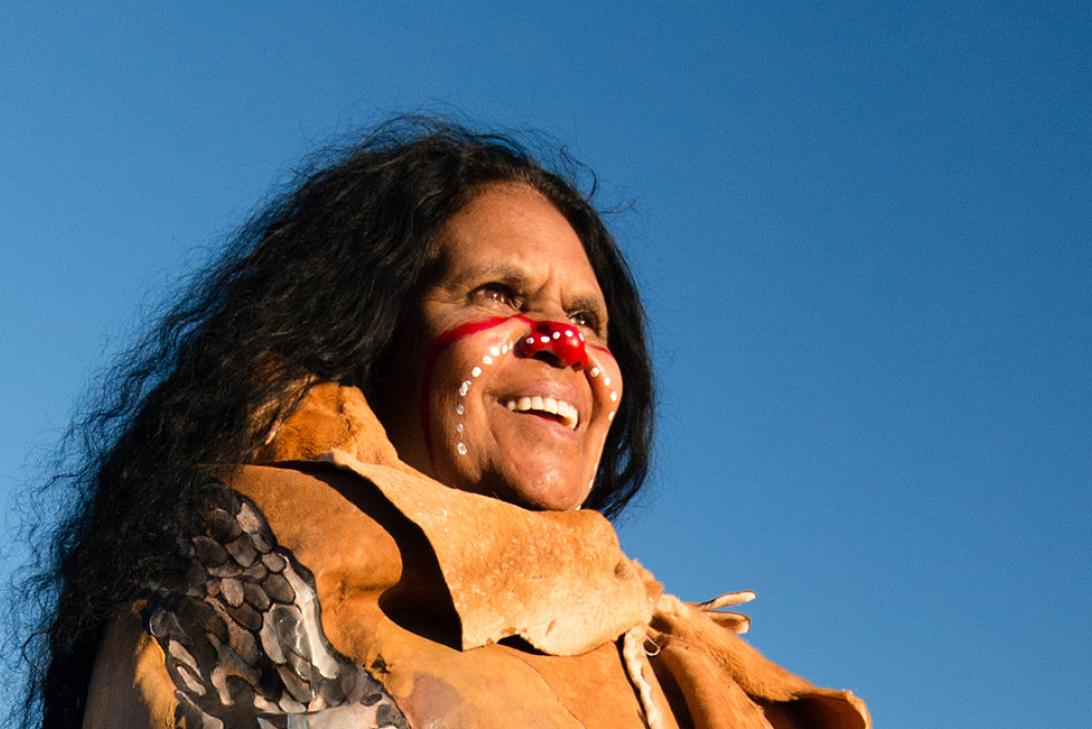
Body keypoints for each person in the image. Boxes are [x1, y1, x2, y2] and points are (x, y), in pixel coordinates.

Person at [23, 118, 869, 728]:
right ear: (371, 334)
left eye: (589, 319)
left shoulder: (653, 653)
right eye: (499, 293)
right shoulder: (245, 558)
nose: (563, 344)